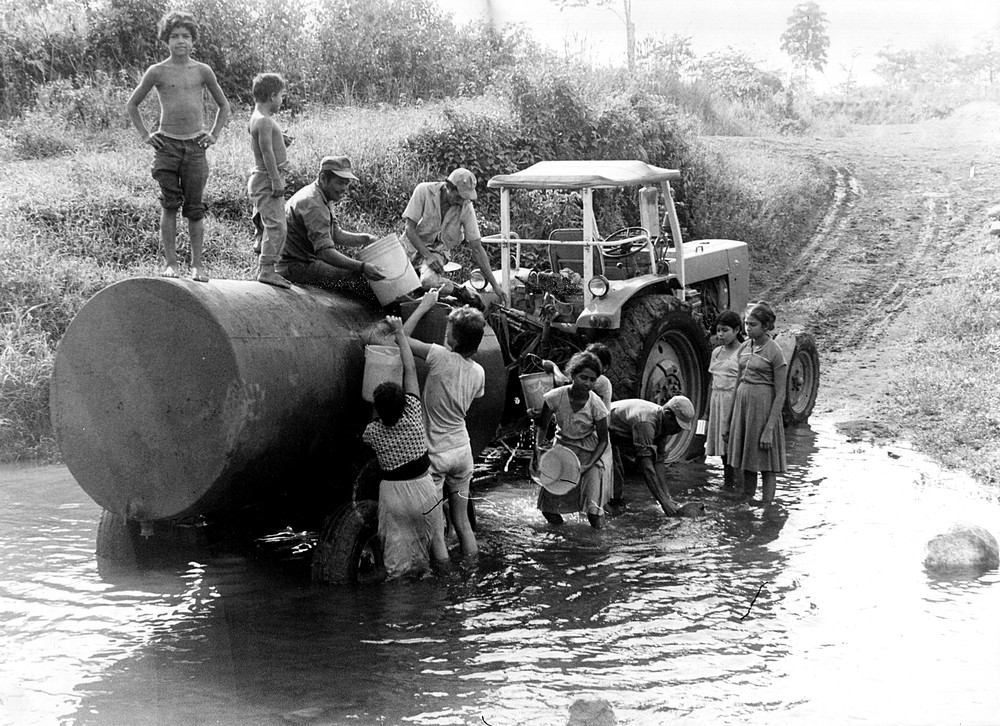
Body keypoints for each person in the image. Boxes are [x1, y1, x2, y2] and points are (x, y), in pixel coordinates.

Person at [126, 10, 231, 282]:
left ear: (193, 40)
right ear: (166, 40)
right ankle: (171, 263)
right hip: (167, 147)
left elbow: (224, 105)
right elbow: (132, 104)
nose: (180, 41)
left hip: (196, 148)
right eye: (174, 36)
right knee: (169, 204)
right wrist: (146, 135)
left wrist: (214, 134)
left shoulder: (202, 71)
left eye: (186, 36)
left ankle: (197, 265)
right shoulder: (157, 71)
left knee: (195, 209)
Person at [362, 315, 449, 580]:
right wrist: (400, 333)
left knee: (395, 559)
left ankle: (397, 607)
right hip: (423, 489)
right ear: (404, 402)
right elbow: (410, 370)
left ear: (378, 409)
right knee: (431, 548)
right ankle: (443, 588)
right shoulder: (412, 412)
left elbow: (374, 418)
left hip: (394, 496)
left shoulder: (373, 432)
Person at [402, 289, 486, 559]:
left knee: (437, 532)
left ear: (452, 338)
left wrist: (424, 305)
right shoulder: (479, 371)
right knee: (462, 523)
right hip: (462, 452)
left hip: (436, 455)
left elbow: (401, 339)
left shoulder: (438, 356)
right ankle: (471, 574)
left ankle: (443, 583)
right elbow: (469, 384)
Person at [276, 156, 386, 291]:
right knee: (361, 280)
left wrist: (366, 238)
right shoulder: (314, 204)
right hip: (295, 266)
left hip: (303, 261)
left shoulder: (322, 195)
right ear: (323, 178)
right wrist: (362, 267)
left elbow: (336, 234)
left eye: (346, 183)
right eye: (340, 183)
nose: (344, 188)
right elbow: (325, 253)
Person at [401, 168, 507, 307]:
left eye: (465, 198)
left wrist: (495, 285)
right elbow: (409, 228)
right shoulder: (424, 191)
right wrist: (426, 255)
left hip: (437, 251)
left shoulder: (466, 206)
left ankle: (457, 290)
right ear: (448, 187)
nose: (461, 202)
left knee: (428, 281)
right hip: (411, 245)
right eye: (459, 197)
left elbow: (476, 248)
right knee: (393, 279)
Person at [535, 351, 610, 529]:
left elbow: (603, 441)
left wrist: (588, 465)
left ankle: (599, 544)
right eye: (583, 377)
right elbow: (542, 426)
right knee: (549, 509)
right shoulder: (555, 397)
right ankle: (563, 536)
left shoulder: (596, 405)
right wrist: (537, 450)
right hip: (562, 450)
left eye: (592, 380)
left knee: (594, 512)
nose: (587, 383)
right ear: (573, 375)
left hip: (589, 454)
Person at [723, 301, 788, 507]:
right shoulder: (744, 347)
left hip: (763, 409)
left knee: (766, 464)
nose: (747, 328)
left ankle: (767, 508)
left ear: (766, 326)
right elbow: (737, 383)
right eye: (746, 323)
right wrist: (729, 420)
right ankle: (748, 504)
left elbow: (781, 394)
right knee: (746, 461)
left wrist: (769, 428)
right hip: (743, 408)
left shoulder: (775, 352)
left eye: (753, 324)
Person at [608, 396, 695, 516]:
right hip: (598, 432)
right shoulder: (646, 422)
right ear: (668, 414)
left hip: (614, 438)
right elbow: (646, 467)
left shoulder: (663, 423)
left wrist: (667, 497)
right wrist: (663, 502)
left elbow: (659, 461)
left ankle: (614, 508)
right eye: (678, 426)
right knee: (607, 481)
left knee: (616, 486)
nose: (678, 431)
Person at [247, 72, 292, 289]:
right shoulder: (264, 121)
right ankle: (266, 270)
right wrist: (276, 180)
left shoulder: (257, 118)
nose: (282, 101)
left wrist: (281, 140)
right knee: (277, 227)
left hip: (261, 178)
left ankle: (264, 256)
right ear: (272, 95)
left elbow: (267, 144)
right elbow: (266, 152)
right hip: (266, 179)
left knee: (271, 223)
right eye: (282, 96)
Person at [706, 311, 744, 492]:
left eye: (725, 330)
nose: (720, 334)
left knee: (735, 448)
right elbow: (711, 382)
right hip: (717, 401)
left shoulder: (744, 352)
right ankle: (729, 485)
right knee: (723, 449)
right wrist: (706, 412)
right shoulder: (716, 352)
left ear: (737, 330)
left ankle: (742, 487)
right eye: (718, 330)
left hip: (733, 401)